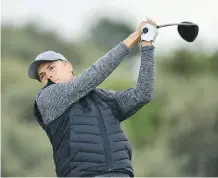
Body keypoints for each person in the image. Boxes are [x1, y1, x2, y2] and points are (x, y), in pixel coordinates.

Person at [28, 18, 158, 177]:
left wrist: (147, 44)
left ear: (69, 66)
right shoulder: (47, 98)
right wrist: (132, 39)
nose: (48, 75)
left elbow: (142, 94)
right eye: (42, 75)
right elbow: (91, 78)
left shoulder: (103, 98)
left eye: (51, 67)